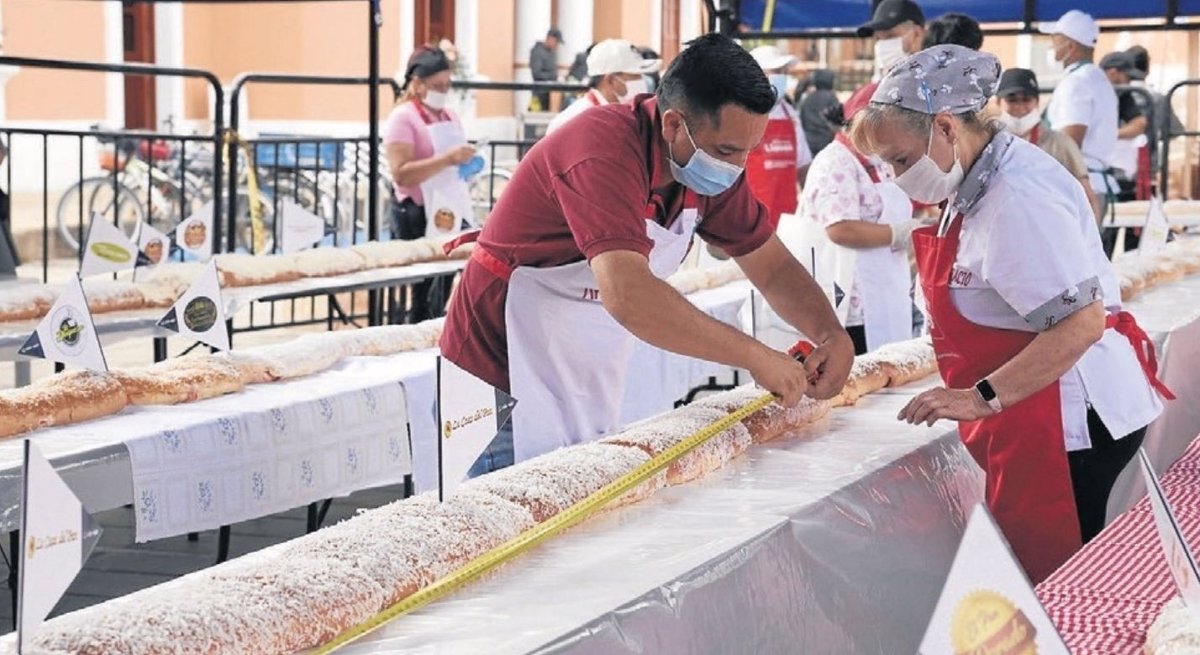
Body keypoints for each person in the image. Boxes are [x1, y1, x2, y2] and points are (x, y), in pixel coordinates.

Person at [440, 33, 855, 474]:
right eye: (727, 151)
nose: (736, 168)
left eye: (746, 152)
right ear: (674, 124)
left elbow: (770, 266)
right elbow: (630, 295)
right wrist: (755, 356)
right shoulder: (600, 149)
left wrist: (832, 334)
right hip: (494, 376)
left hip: (583, 366)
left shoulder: (706, 171)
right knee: (504, 530)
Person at [851, 45, 1171, 583]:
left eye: (902, 160)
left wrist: (980, 397)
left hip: (1069, 417)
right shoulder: (975, 177)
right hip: (1035, 409)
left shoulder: (1016, 196)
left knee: (1061, 579)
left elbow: (1081, 322)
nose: (898, 176)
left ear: (947, 129)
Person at [799, 84, 921, 355]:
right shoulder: (835, 161)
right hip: (851, 305)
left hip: (887, 292)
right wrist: (898, 234)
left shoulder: (879, 159)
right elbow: (839, 228)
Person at [384, 47, 476, 321]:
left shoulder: (449, 115)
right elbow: (401, 173)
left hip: (448, 206)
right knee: (422, 289)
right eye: (437, 85)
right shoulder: (403, 118)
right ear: (418, 83)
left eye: (447, 85)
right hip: (416, 210)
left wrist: (467, 160)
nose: (443, 91)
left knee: (445, 283)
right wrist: (446, 158)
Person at [1041, 10, 1120, 227]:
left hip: (1078, 187)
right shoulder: (1096, 79)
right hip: (1093, 183)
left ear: (1071, 46)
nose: (1051, 47)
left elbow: (1070, 141)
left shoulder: (1076, 83)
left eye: (1055, 41)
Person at [995, 68, 1103, 223]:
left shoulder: (1060, 143)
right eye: (1012, 100)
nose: (1019, 106)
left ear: (1037, 102)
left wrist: (1090, 242)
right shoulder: (988, 144)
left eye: (1026, 99)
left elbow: (1086, 196)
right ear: (998, 102)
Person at [745, 44, 813, 225]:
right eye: (775, 71)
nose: (781, 77)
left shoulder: (789, 112)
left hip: (786, 220)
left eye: (783, 71)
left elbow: (804, 166)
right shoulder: (740, 113)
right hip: (748, 222)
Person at [545, 39, 661, 135]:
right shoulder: (572, 122)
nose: (642, 81)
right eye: (635, 76)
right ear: (610, 80)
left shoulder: (632, 115)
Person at [856, 0, 926, 80]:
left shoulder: (939, 83)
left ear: (917, 34)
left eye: (890, 36)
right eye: (878, 38)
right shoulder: (872, 91)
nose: (882, 45)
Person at [797, 69, 839, 156]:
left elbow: (802, 118)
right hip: (825, 141)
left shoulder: (808, 99)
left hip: (809, 142)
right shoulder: (832, 98)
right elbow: (837, 121)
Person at [529, 28, 563, 111]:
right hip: (540, 92)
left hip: (550, 93)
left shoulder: (551, 53)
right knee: (535, 118)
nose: (557, 45)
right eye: (556, 42)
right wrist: (554, 77)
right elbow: (536, 73)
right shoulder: (537, 52)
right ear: (551, 39)